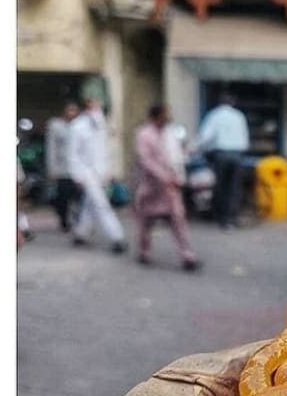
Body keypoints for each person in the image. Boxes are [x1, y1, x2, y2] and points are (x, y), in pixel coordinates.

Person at [134, 105, 200, 271]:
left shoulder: (170, 133)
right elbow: (146, 160)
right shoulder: (144, 134)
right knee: (146, 222)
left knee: (178, 220)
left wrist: (178, 177)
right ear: (155, 116)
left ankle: (187, 255)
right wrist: (164, 177)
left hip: (170, 188)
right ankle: (144, 251)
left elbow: (177, 156)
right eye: (166, 114)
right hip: (151, 186)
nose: (169, 117)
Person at [68, 97, 127, 253]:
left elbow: (107, 151)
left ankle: (81, 233)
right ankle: (117, 238)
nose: (97, 106)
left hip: (101, 172)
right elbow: (73, 154)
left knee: (90, 204)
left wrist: (110, 171)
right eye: (93, 104)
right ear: (87, 107)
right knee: (102, 205)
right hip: (86, 172)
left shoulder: (103, 125)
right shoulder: (77, 127)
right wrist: (77, 176)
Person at [196, 91, 250, 229]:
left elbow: (206, 137)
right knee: (234, 188)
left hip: (222, 155)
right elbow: (245, 138)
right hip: (238, 155)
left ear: (220, 103)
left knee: (221, 187)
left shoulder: (215, 115)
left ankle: (222, 218)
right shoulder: (239, 116)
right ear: (232, 103)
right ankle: (232, 218)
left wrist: (195, 148)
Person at [45, 101, 80, 232]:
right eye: (69, 110)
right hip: (62, 168)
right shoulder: (55, 125)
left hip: (78, 169)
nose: (72, 113)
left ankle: (78, 220)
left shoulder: (80, 126)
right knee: (63, 196)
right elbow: (51, 148)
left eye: (74, 110)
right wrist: (52, 168)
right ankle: (64, 220)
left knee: (77, 196)